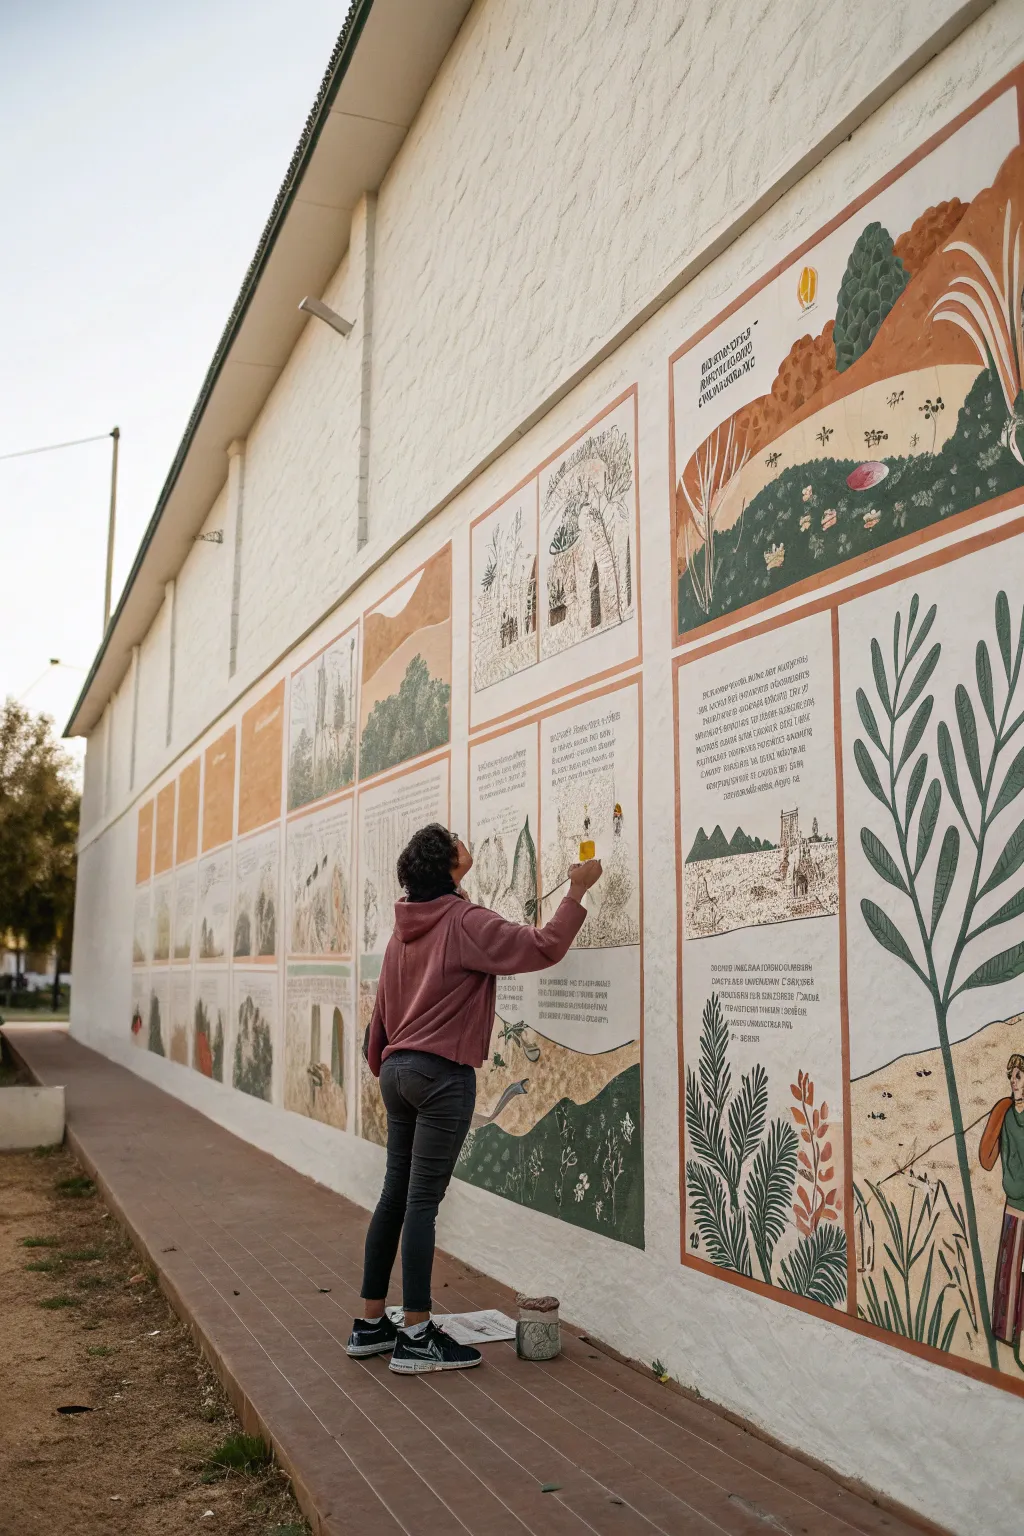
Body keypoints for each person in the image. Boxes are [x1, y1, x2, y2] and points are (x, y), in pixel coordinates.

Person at [346, 822, 602, 1374]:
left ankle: (370, 1324)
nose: (466, 841)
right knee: (420, 1204)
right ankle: (416, 1334)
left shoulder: (401, 932)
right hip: (440, 1079)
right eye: (456, 839)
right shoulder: (464, 922)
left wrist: (393, 1068)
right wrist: (577, 890)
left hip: (397, 1074)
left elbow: (379, 1028)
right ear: (448, 864)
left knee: (394, 1196)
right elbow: (544, 946)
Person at [979, 1052, 1024, 1371]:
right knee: (1009, 1274)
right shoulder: (1005, 1113)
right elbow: (988, 1155)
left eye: (1019, 1076)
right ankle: (1007, 1337)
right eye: (1011, 1077)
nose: (1013, 1081)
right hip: (1014, 1204)